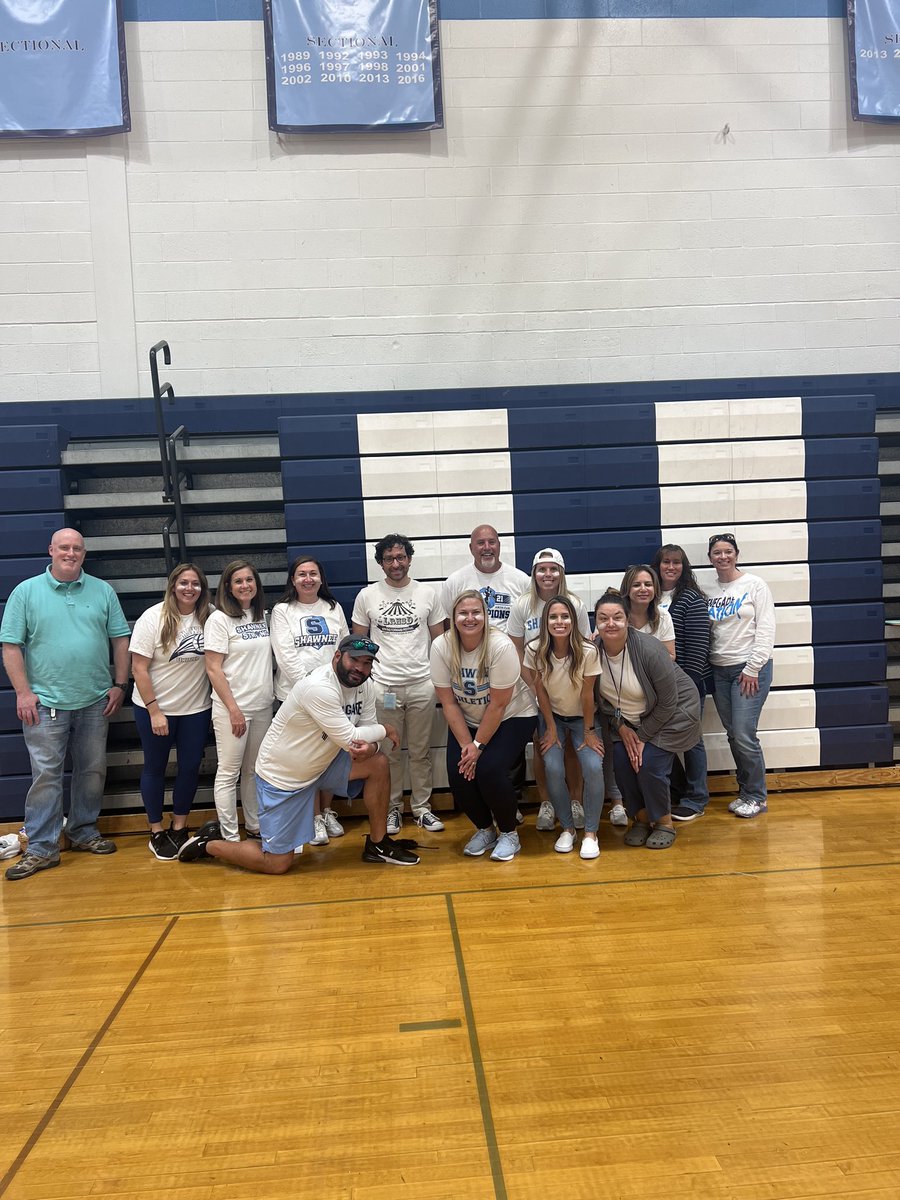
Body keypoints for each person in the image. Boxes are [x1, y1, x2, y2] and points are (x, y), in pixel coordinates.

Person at [178, 635, 419, 870]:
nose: (360, 668)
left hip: (322, 765)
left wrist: (374, 745)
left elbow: (365, 734)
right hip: (284, 778)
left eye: (367, 663)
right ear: (337, 656)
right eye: (354, 660)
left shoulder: (365, 687)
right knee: (276, 863)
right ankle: (210, 843)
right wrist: (386, 729)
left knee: (377, 763)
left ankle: (378, 844)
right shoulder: (319, 687)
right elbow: (352, 738)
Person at [1, 528, 130, 880]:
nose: (70, 553)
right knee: (45, 776)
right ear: (51, 551)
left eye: (76, 548)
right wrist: (24, 692)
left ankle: (83, 831)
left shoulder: (102, 591)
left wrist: (120, 684)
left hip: (94, 700)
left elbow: (120, 639)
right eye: (64, 548)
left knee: (92, 770)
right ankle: (43, 848)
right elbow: (10, 646)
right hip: (44, 704)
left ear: (84, 554)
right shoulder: (26, 592)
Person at [430, 590, 537, 862]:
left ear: (486, 616)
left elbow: (498, 705)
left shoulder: (500, 646)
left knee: (489, 769)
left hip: (514, 715)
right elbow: (448, 702)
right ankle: (485, 829)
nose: (470, 618)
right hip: (469, 718)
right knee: (459, 771)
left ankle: (509, 834)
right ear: (453, 618)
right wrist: (467, 745)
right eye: (463, 613)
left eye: (476, 612)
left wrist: (478, 746)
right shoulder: (442, 646)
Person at [352, 534, 445, 835]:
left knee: (420, 751)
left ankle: (421, 809)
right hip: (383, 688)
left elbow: (440, 641)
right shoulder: (367, 596)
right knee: (388, 753)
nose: (396, 563)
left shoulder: (428, 594)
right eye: (390, 558)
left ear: (409, 559)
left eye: (401, 557)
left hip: (421, 684)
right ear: (381, 563)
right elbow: (359, 646)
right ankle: (392, 809)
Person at [593, 590, 701, 850]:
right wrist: (621, 727)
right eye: (603, 618)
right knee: (621, 761)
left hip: (674, 714)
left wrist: (641, 737)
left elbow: (668, 702)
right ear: (595, 623)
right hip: (629, 721)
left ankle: (664, 822)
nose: (610, 623)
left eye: (617, 617)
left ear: (628, 620)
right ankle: (640, 820)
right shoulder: (591, 652)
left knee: (649, 763)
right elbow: (601, 701)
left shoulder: (650, 649)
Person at [130, 562, 213, 860]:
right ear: (173, 586)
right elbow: (138, 668)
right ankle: (156, 831)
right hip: (155, 708)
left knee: (190, 767)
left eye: (195, 583)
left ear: (202, 588)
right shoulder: (153, 617)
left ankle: (179, 827)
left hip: (196, 709)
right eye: (183, 583)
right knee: (155, 767)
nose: (189, 588)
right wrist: (155, 711)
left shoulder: (210, 617)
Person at [507, 547, 591, 833]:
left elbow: (583, 648)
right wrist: (533, 686)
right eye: (542, 569)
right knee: (544, 747)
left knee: (570, 747)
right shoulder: (522, 605)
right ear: (534, 573)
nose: (548, 574)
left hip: (569, 689)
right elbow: (516, 651)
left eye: (553, 569)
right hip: (533, 687)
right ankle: (547, 802)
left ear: (562, 573)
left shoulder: (575, 604)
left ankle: (576, 801)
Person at [270, 554, 348, 845]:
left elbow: (343, 648)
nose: (308, 579)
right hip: (296, 698)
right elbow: (285, 654)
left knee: (330, 756)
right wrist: (312, 689)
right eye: (302, 574)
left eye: (313, 574)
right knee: (306, 760)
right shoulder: (282, 610)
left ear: (320, 578)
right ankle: (312, 817)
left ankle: (327, 811)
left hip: (332, 695)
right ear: (293, 579)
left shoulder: (333, 607)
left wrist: (332, 687)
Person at [521, 597, 603, 859]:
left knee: (592, 766)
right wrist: (551, 728)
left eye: (565, 617)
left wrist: (589, 731)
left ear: (573, 620)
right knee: (553, 767)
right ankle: (567, 828)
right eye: (553, 617)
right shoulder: (535, 649)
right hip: (552, 717)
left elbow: (588, 694)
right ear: (545, 622)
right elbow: (540, 690)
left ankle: (590, 833)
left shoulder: (588, 651)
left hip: (583, 718)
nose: (559, 622)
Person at [706, 533, 776, 819]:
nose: (723, 557)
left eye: (728, 551)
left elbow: (766, 628)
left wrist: (753, 667)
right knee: (734, 734)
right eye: (717, 553)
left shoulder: (754, 584)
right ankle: (745, 791)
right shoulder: (707, 589)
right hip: (718, 670)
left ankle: (756, 796)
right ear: (710, 558)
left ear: (737, 554)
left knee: (745, 735)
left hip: (749, 669)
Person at [204, 560, 274, 842]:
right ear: (228, 588)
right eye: (238, 581)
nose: (245, 585)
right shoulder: (219, 619)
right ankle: (230, 835)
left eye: (249, 580)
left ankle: (254, 826)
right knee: (228, 773)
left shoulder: (262, 617)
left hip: (262, 707)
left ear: (256, 584)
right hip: (233, 709)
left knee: (254, 771)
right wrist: (233, 709)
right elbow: (213, 668)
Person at [652, 544, 711, 822]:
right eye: (666, 562)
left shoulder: (690, 599)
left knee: (692, 741)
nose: (671, 567)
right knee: (661, 740)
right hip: (656, 688)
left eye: (677, 562)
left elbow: (699, 649)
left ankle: (697, 798)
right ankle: (678, 790)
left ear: (684, 567)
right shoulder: (650, 597)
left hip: (686, 686)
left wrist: (687, 688)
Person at [440, 524, 530, 634]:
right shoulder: (454, 582)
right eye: (481, 543)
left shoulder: (521, 580)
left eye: (492, 542)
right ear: (471, 548)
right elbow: (448, 624)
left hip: (509, 649)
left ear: (499, 545)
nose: (487, 547)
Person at [620, 564, 676, 658]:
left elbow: (670, 656)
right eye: (636, 585)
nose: (643, 589)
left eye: (648, 584)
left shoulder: (664, 616)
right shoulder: (614, 616)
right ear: (627, 589)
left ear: (655, 588)